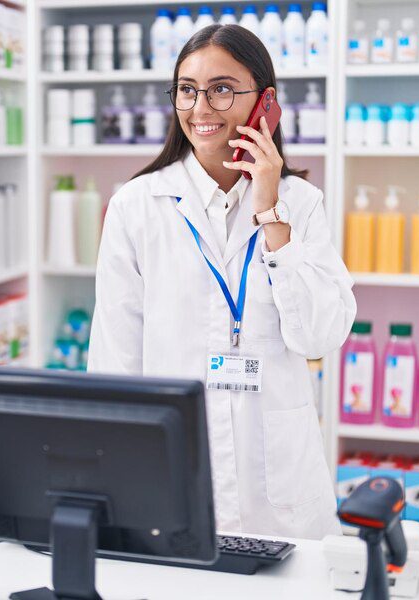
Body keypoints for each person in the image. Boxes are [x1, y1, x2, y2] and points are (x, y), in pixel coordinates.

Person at [88, 24, 356, 540]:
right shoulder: (136, 207)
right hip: (173, 486)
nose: (201, 107)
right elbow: (115, 363)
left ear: (265, 103)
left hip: (280, 489)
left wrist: (271, 209)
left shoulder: (301, 204)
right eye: (187, 89)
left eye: (222, 89)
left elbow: (320, 336)